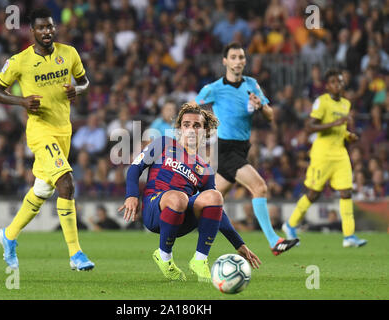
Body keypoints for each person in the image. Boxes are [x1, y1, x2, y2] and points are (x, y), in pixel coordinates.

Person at [0, 7, 94, 270]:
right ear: (32, 31)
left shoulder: (68, 53)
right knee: (66, 184)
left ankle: (9, 235)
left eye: (50, 27)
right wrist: (22, 101)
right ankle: (76, 254)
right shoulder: (19, 61)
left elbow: (85, 82)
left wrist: (77, 90)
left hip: (63, 131)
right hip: (40, 131)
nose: (47, 32)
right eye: (41, 28)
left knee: (43, 189)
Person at [119, 102, 261, 282]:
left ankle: (200, 260)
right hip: (154, 209)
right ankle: (164, 257)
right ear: (179, 128)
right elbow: (134, 169)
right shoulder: (163, 143)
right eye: (186, 125)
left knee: (215, 196)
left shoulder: (204, 167)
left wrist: (239, 244)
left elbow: (217, 211)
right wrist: (131, 195)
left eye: (197, 125)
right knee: (179, 197)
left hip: (182, 218)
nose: (191, 129)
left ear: (205, 131)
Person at [194, 42, 299, 255]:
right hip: (225, 149)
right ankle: (273, 241)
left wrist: (261, 106)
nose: (238, 61)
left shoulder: (252, 84)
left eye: (241, 57)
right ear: (225, 61)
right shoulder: (214, 88)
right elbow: (192, 109)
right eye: (233, 57)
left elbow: (270, 116)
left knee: (208, 201)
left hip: (242, 148)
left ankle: (175, 218)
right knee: (259, 187)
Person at [283, 69, 367, 248]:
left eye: (340, 82)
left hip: (340, 153)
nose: (337, 85)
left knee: (346, 192)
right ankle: (290, 225)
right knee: (313, 194)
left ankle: (349, 236)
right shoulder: (321, 102)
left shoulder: (346, 103)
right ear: (328, 86)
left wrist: (348, 135)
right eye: (334, 82)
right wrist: (334, 124)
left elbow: (340, 129)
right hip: (322, 154)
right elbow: (309, 126)